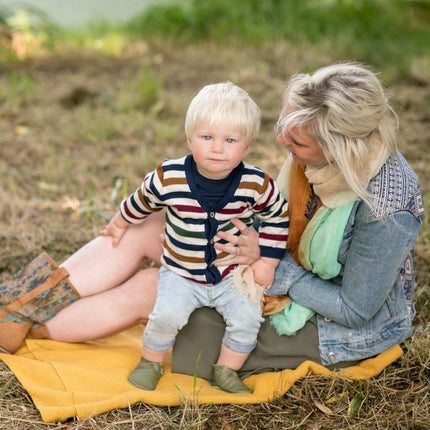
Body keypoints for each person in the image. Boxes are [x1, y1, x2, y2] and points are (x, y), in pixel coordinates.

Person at [0, 62, 424, 389]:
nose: (281, 143)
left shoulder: (387, 207)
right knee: (150, 227)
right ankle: (19, 303)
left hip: (326, 324)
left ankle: (37, 328)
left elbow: (355, 309)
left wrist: (269, 261)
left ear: (337, 148)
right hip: (270, 261)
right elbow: (270, 215)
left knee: (157, 287)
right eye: (284, 128)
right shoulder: (315, 161)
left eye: (296, 142)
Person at [99, 82, 289, 393]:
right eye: (207, 138)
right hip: (181, 273)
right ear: (190, 139)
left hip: (231, 275)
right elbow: (141, 200)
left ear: (247, 146)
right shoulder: (169, 177)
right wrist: (120, 222)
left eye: (230, 140)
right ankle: (151, 361)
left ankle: (227, 370)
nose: (217, 148)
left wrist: (267, 262)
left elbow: (277, 215)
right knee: (166, 315)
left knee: (247, 319)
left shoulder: (255, 183)